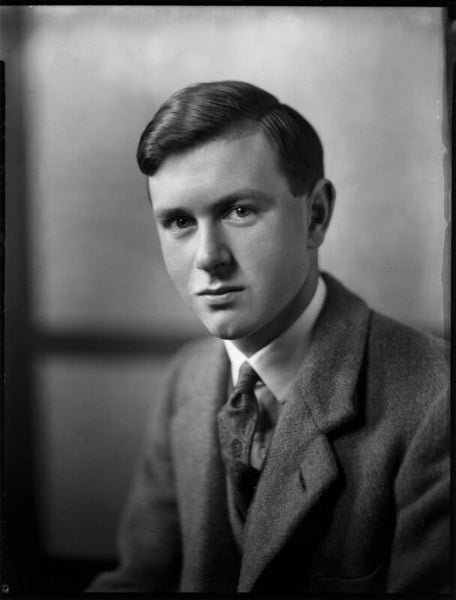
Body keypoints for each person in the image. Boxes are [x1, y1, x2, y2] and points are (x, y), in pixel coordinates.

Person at [87, 81, 449, 593]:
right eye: (180, 221)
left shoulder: (437, 399)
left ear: (315, 216)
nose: (208, 258)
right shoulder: (187, 378)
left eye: (240, 211)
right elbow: (140, 581)